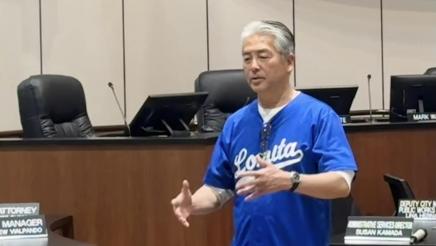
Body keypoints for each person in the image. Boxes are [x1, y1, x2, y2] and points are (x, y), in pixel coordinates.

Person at [171, 20, 358, 246]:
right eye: (247, 58)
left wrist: (291, 180)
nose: (253, 66)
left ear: (289, 62)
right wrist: (193, 204)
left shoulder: (318, 116)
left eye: (263, 56)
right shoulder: (236, 123)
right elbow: (218, 188)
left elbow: (341, 183)